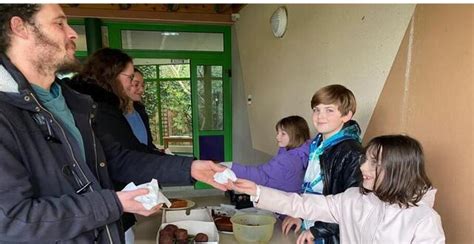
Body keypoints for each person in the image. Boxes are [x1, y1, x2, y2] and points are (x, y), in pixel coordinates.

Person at [0, 4, 226, 243]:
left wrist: (190, 168)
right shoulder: (7, 113)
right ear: (20, 27)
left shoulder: (76, 103)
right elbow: (12, 220)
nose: (72, 33)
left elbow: (117, 160)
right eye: (59, 23)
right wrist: (114, 203)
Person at [232, 135, 446, 244]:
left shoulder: (423, 220)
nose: (363, 167)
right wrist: (257, 191)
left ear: (398, 169)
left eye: (374, 162)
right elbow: (301, 204)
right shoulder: (354, 199)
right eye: (365, 160)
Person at [280, 84, 363, 244]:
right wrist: (300, 215)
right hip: (312, 224)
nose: (320, 116)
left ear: (346, 116)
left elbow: (351, 205)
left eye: (329, 110)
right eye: (316, 109)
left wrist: (318, 230)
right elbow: (311, 187)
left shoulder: (352, 152)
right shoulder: (317, 145)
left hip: (330, 235)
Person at [223, 115, 310, 193]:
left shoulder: (288, 160)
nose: (277, 137)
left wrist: (230, 167)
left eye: (283, 134)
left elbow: (262, 175)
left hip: (285, 206)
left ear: (296, 135)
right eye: (278, 132)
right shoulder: (301, 153)